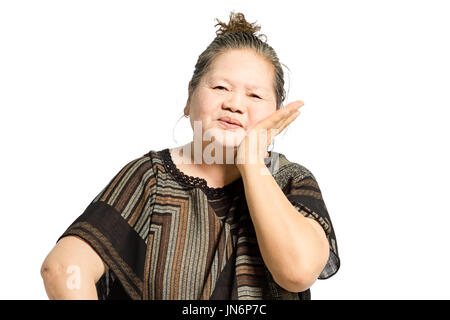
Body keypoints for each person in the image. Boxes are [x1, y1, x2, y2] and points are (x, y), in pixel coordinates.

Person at [40, 11, 340, 300]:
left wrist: (250, 160)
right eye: (221, 87)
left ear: (277, 115)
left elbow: (297, 271)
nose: (235, 104)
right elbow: (64, 269)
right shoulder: (151, 178)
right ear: (189, 99)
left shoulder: (290, 180)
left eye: (255, 95)